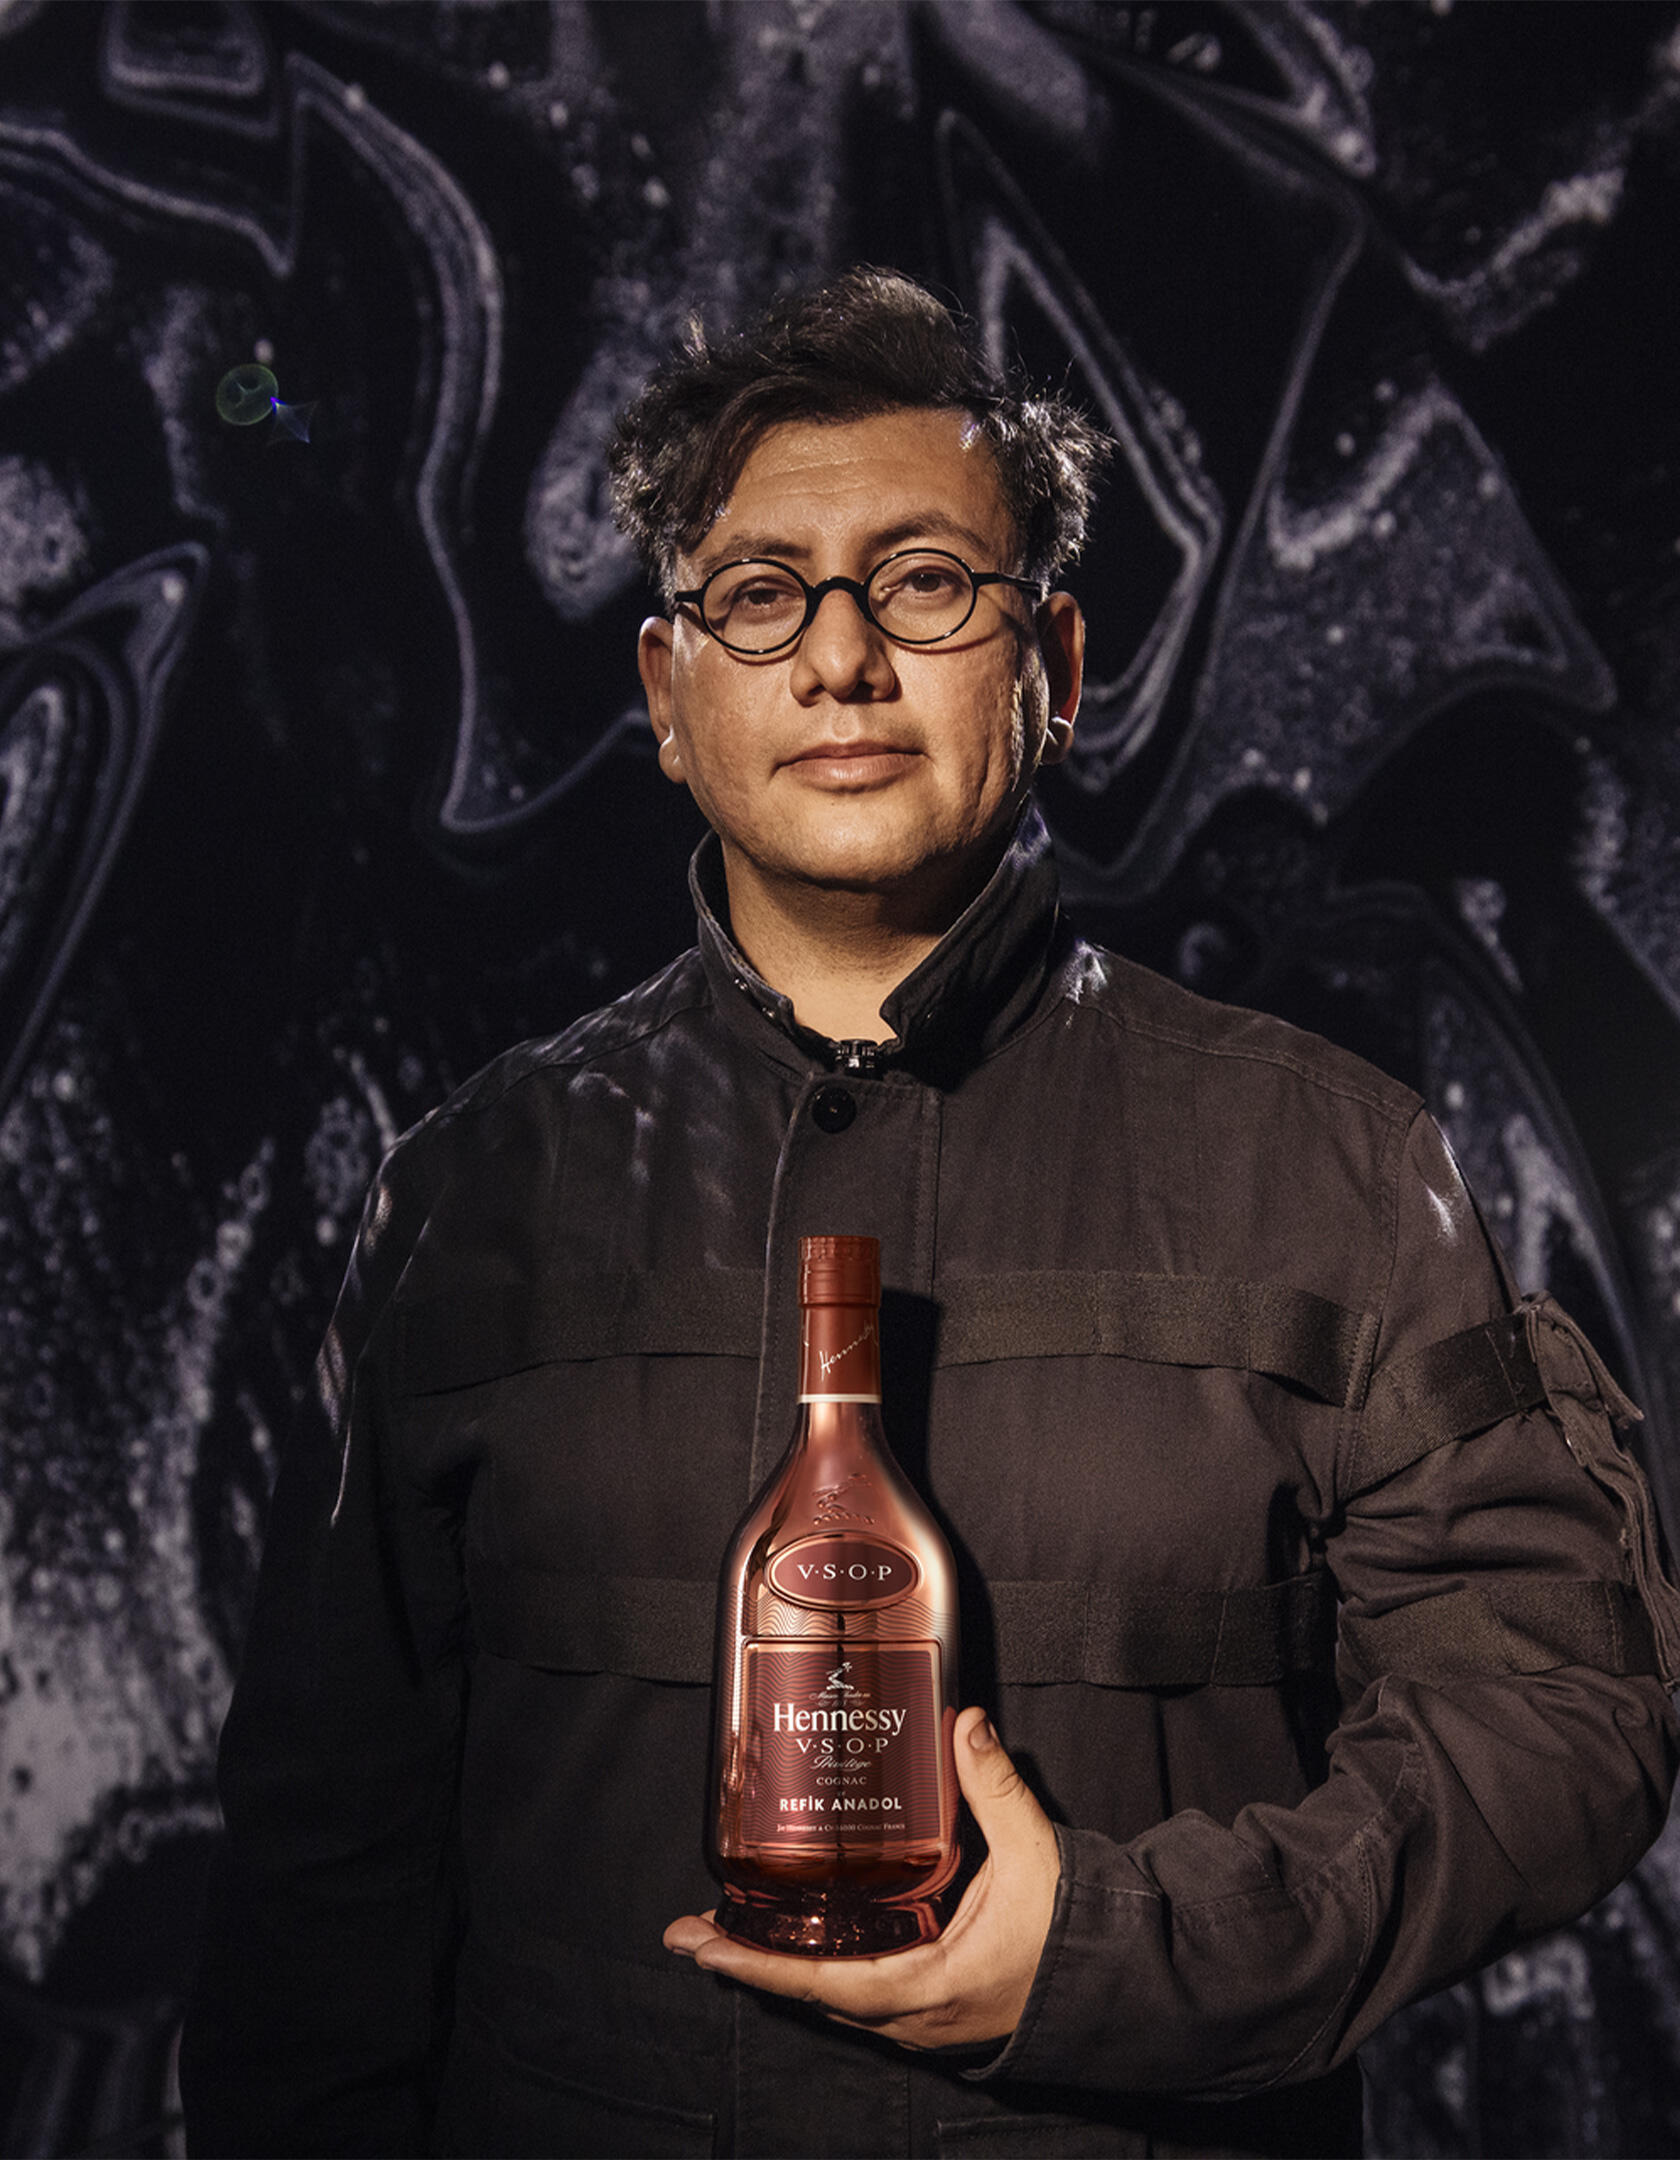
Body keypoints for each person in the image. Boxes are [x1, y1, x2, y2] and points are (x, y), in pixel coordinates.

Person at [182, 268, 1680, 2158]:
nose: (841, 658)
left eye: (925, 584)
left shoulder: (1336, 1170)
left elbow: (1558, 1711)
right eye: (758, 594)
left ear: (1055, 664)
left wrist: (1130, 1947)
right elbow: (320, 1882)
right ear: (668, 695)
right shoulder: (472, 1196)